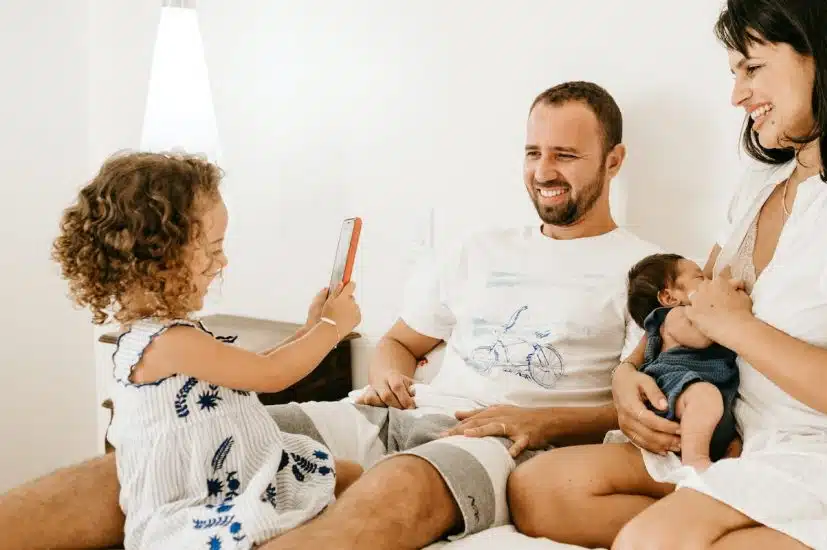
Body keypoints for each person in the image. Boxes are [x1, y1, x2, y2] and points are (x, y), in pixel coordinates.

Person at [0, 80, 661, 550]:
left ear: (614, 161)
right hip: (383, 414)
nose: (544, 170)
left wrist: (537, 420)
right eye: (533, 152)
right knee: (180, 454)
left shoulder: (647, 268)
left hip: (493, 442)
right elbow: (401, 342)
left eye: (565, 156)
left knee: (397, 488)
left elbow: (643, 408)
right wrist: (389, 368)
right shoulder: (479, 248)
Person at [509, 1, 827, 549]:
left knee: (652, 542)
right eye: (733, 74)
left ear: (820, 57)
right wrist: (629, 375)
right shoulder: (764, 179)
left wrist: (739, 329)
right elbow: (698, 303)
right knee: (541, 490)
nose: (737, 95)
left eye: (752, 69)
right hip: (752, 440)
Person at [49, 151, 365, 549]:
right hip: (206, 499)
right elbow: (271, 377)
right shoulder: (169, 343)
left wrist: (309, 330)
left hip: (236, 473)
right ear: (158, 257)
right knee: (339, 489)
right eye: (214, 249)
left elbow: (252, 367)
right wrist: (333, 329)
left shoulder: (166, 334)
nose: (223, 260)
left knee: (348, 474)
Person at [626, 253, 739, 470]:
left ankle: (717, 460)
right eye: (700, 278)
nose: (710, 282)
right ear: (669, 298)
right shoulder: (675, 316)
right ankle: (695, 462)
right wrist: (727, 299)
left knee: (724, 421)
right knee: (705, 396)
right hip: (673, 386)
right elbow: (702, 337)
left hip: (705, 396)